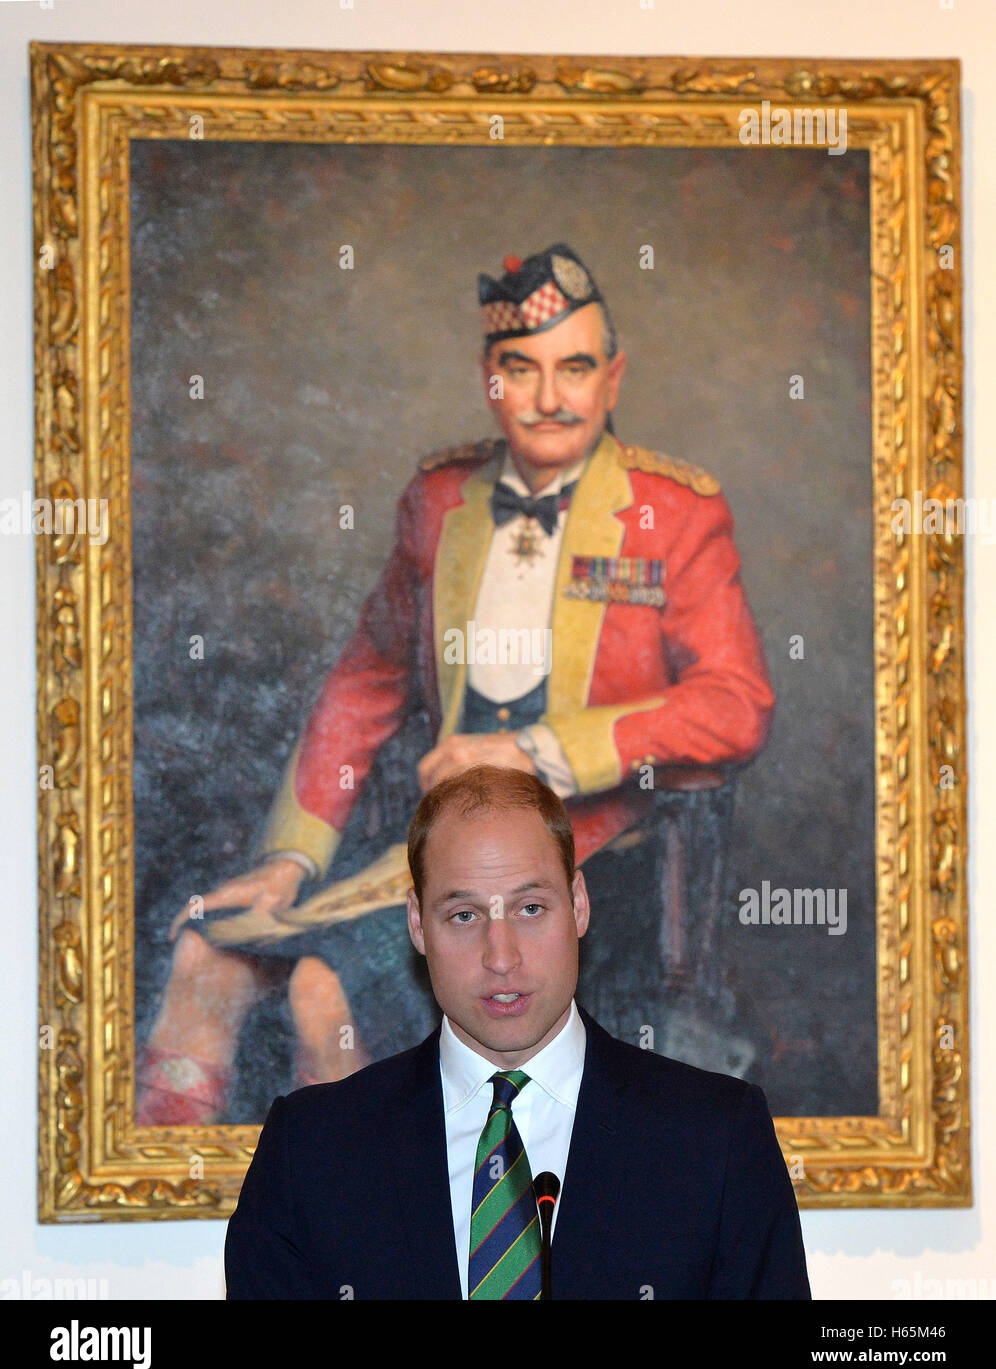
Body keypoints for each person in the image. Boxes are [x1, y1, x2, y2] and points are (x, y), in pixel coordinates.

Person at [138, 244, 775, 1124]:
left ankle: (365, 1249)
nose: (551, 398)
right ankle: (182, 1223)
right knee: (202, 964)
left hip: (590, 867)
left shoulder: (677, 512)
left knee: (323, 991)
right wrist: (290, 858)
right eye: (523, 369)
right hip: (436, 858)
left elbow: (734, 705)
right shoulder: (440, 501)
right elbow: (365, 680)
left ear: (613, 378)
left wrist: (538, 752)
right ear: (490, 381)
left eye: (576, 368)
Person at [224, 766, 810, 1300]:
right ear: (416, 924)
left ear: (578, 905)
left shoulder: (717, 1137)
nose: (500, 956)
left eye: (530, 909)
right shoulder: (310, 1150)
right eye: (464, 915)